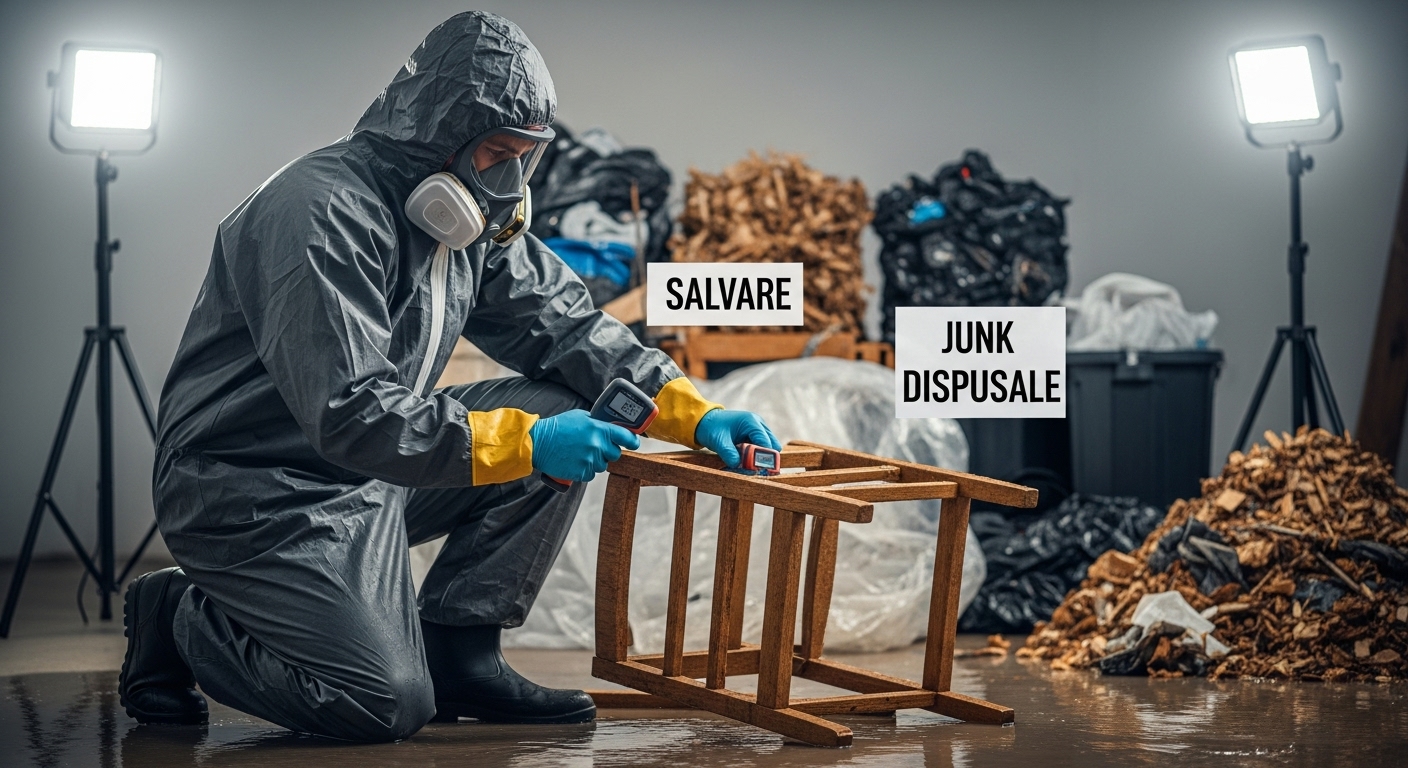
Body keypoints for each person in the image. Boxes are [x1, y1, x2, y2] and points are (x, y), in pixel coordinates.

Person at [119, 11, 780, 743]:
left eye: (525, 159)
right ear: (437, 134)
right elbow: (351, 413)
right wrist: (528, 443)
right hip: (254, 489)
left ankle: (461, 652)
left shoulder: (465, 225)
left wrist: (691, 411)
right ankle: (177, 618)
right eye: (499, 153)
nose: (511, 181)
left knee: (566, 400)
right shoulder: (318, 213)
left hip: (365, 471)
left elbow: (567, 329)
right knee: (380, 703)